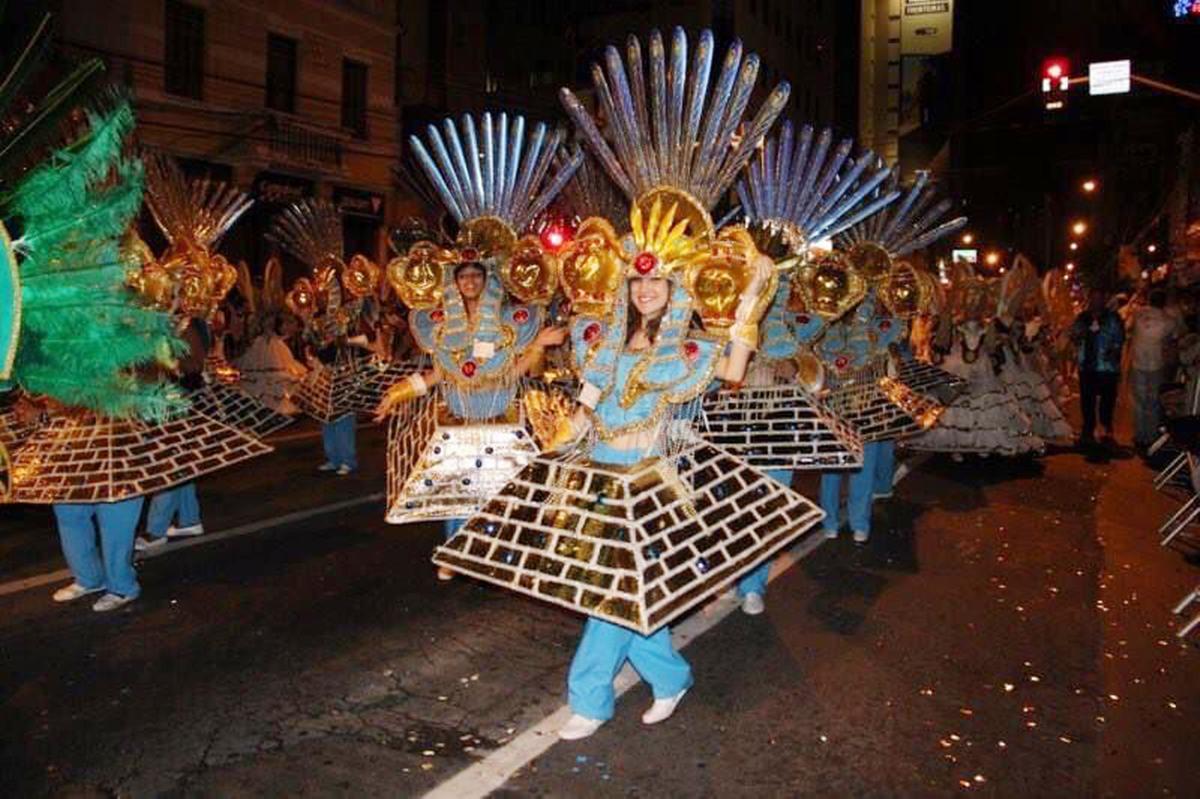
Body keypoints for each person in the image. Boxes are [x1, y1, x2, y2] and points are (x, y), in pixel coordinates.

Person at [136, 316, 210, 551]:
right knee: (180, 460)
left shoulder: (184, 325)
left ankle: (155, 531)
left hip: (173, 402)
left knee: (169, 462)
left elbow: (193, 364)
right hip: (155, 398)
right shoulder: (154, 322)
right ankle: (190, 519)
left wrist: (169, 360)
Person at [1128, 289, 1182, 450]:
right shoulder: (1169, 320)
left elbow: (1130, 328)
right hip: (1156, 364)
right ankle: (1150, 436)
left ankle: (1139, 435)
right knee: (1152, 402)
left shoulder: (1138, 314)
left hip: (1138, 362)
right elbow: (1175, 337)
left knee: (1139, 401)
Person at [1071, 288, 1126, 446]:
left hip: (1107, 367)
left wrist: (1114, 350)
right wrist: (1080, 334)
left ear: (1104, 300)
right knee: (1087, 400)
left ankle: (1106, 428)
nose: (1096, 302)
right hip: (1087, 366)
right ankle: (1088, 428)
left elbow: (1120, 338)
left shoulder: (1113, 318)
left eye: (1099, 298)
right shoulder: (1082, 318)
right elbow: (1074, 336)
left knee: (1107, 400)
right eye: (1093, 298)